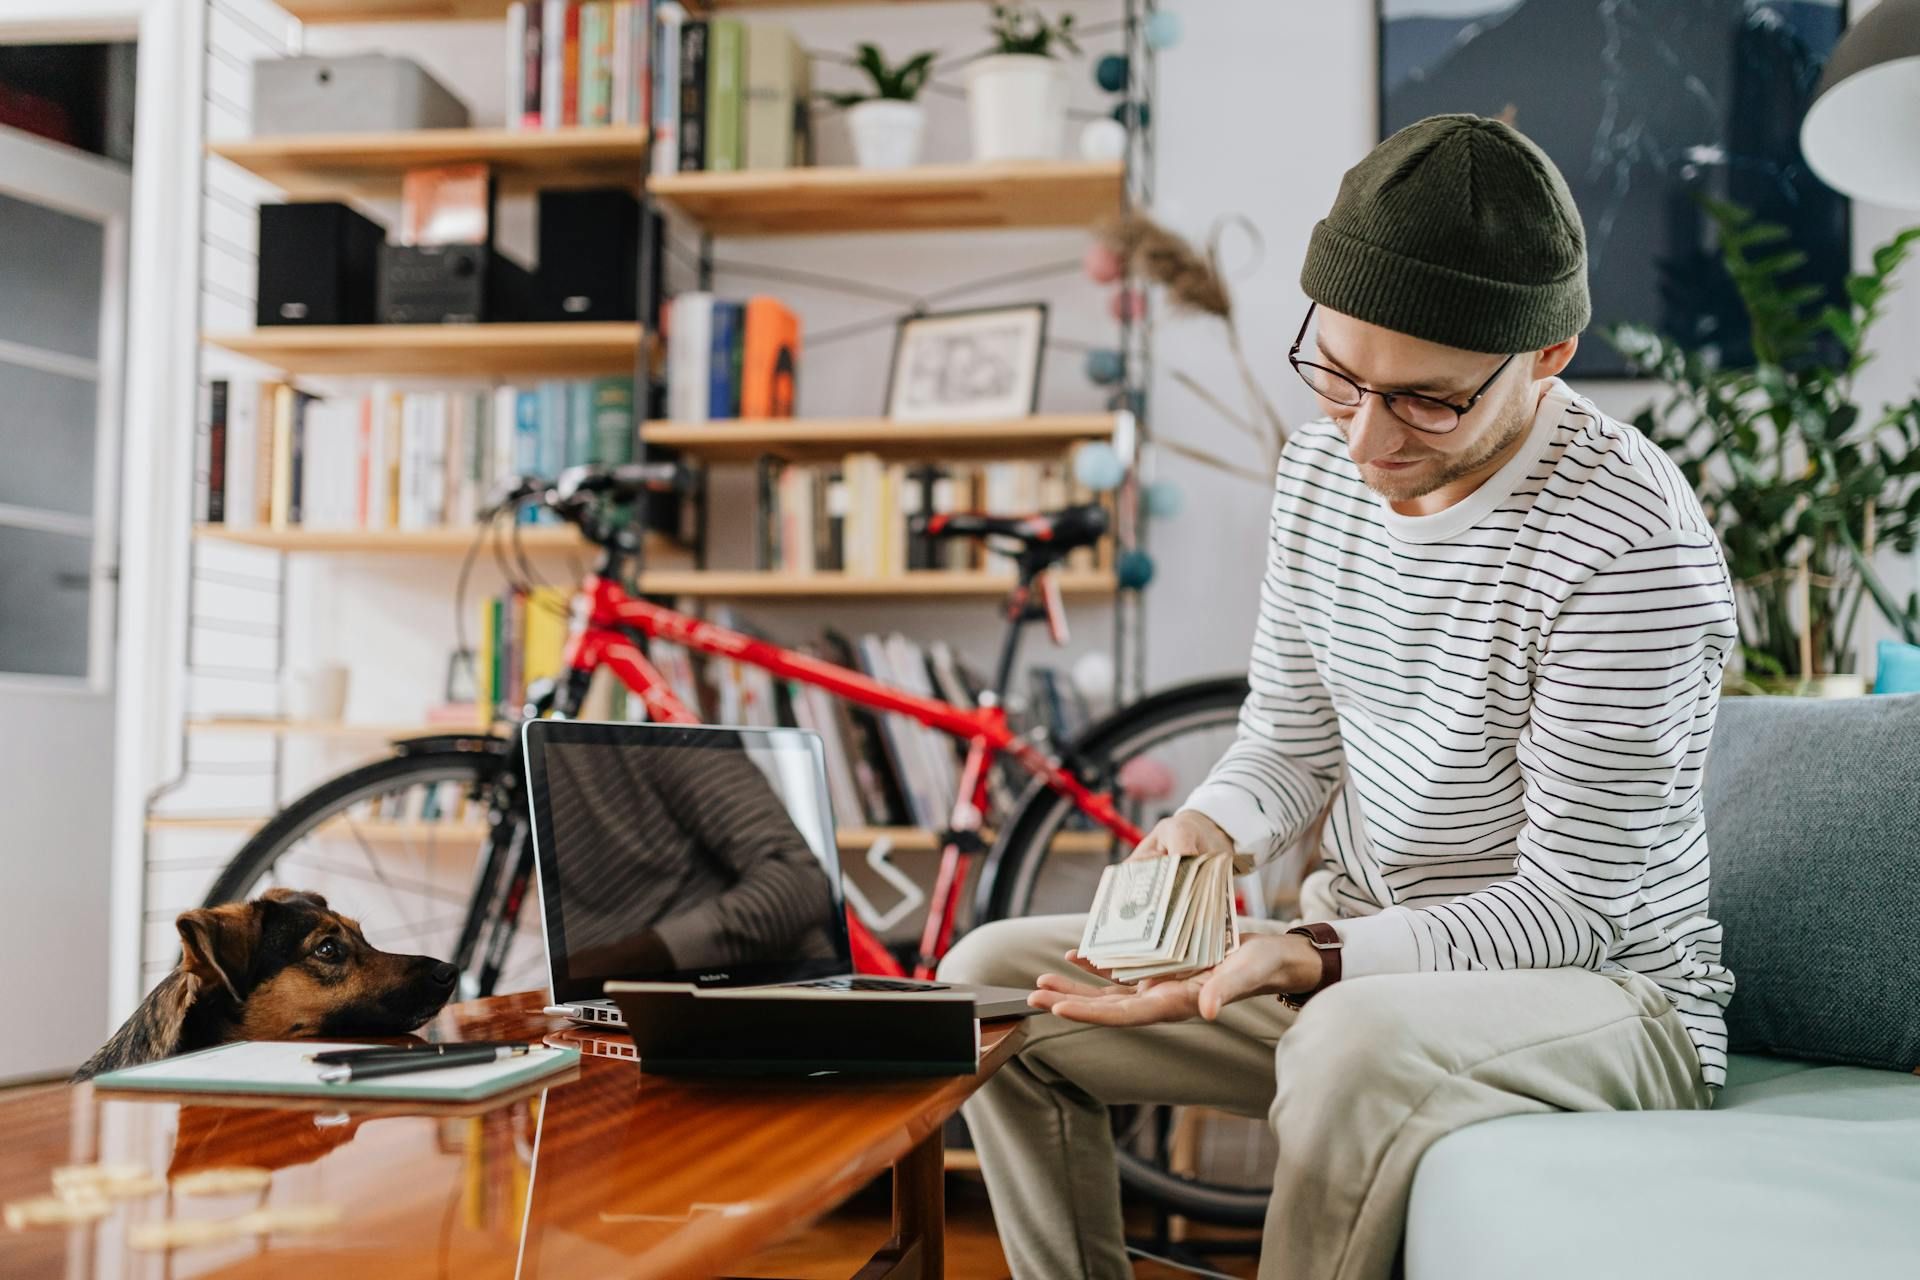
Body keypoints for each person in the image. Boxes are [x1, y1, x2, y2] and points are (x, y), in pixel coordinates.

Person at [939, 112, 1737, 1280]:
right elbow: (1289, 740)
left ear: (1549, 353)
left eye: (1428, 401)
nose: (1367, 439)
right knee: (990, 984)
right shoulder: (1322, 468)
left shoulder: (1630, 546)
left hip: (1605, 996)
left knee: (1355, 1034)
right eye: (1338, 374)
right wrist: (1208, 828)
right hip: (1366, 959)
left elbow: (1575, 909)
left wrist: (1316, 953)